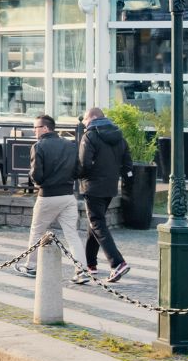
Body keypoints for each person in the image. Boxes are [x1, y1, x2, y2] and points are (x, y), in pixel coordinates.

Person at [75, 106, 132, 284]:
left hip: (93, 187)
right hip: (110, 187)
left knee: (97, 224)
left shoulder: (90, 136)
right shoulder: (119, 136)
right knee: (95, 224)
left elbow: (84, 163)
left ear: (92, 118)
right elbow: (127, 162)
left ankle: (118, 263)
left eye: (85, 119)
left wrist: (79, 176)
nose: (83, 122)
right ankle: (90, 264)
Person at [19, 115, 77, 279]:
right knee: (72, 235)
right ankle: (81, 270)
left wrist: (37, 181)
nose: (34, 130)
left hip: (48, 195)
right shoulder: (70, 145)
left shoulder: (39, 146)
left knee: (37, 231)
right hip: (68, 195)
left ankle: (31, 266)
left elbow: (36, 173)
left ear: (45, 128)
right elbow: (77, 169)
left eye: (36, 127)